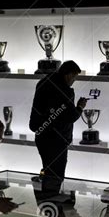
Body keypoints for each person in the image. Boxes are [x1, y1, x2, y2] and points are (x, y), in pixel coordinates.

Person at [29, 60, 87, 194]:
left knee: (48, 171)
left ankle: (46, 206)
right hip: (57, 140)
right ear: (68, 75)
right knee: (56, 176)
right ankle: (51, 206)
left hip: (41, 136)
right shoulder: (65, 90)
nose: (73, 81)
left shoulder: (43, 82)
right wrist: (80, 107)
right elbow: (70, 116)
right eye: (74, 77)